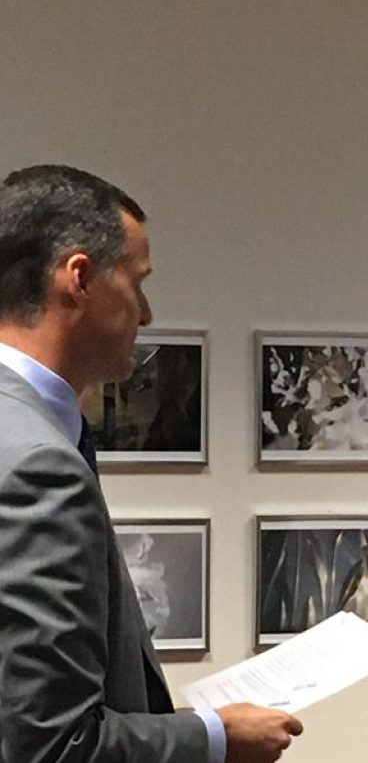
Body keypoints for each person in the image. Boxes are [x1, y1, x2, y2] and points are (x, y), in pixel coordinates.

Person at [0, 165, 303, 763]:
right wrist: (217, 738)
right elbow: (50, 747)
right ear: (79, 278)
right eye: (136, 282)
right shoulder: (38, 464)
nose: (146, 312)